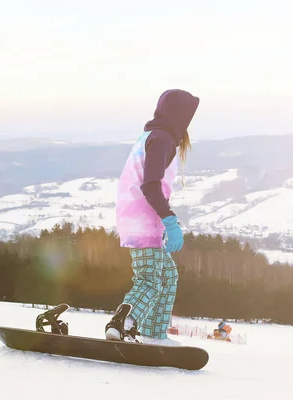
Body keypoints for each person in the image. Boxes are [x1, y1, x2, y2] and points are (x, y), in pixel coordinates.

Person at [105, 89, 200, 346]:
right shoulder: (162, 139)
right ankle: (121, 322)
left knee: (167, 275)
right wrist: (169, 219)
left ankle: (153, 335)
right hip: (143, 221)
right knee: (149, 279)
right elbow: (150, 185)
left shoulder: (152, 136)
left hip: (139, 219)